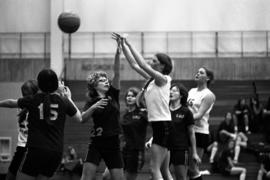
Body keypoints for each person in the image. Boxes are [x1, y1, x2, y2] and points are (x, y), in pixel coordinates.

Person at [0, 68, 82, 180]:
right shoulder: (63, 101)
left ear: (39, 85)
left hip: (36, 150)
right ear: (55, 84)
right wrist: (69, 98)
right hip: (55, 153)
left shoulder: (33, 100)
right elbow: (79, 118)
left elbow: (10, 102)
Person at [113, 32, 173, 180]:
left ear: (162, 65)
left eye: (154, 60)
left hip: (163, 125)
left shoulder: (163, 79)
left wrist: (128, 42)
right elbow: (134, 64)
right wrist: (122, 46)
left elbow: (141, 64)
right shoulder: (152, 80)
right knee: (164, 171)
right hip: (160, 125)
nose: (150, 62)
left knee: (154, 170)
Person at [80, 39, 125, 180]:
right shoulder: (91, 101)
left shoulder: (113, 94)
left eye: (106, 80)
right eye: (102, 80)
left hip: (113, 142)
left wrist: (118, 53)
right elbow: (82, 118)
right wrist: (93, 107)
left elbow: (116, 72)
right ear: (94, 85)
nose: (106, 81)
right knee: (86, 178)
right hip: (96, 142)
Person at [103, 87, 148, 180]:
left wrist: (152, 140)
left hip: (136, 151)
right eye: (128, 96)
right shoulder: (124, 114)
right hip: (121, 150)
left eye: (133, 96)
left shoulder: (143, 113)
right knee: (106, 176)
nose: (130, 98)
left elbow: (157, 126)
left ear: (138, 98)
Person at [4, 80, 39, 180]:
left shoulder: (21, 106)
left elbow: (10, 102)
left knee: (11, 176)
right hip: (30, 148)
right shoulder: (36, 106)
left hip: (23, 148)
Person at [187, 67, 216, 180]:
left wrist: (181, 120)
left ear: (207, 78)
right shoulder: (191, 91)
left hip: (200, 133)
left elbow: (199, 115)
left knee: (193, 169)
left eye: (201, 72)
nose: (198, 73)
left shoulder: (208, 95)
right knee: (185, 168)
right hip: (188, 130)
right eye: (197, 72)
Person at [168, 83, 201, 180]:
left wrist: (194, 153)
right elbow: (160, 129)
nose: (171, 92)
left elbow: (191, 133)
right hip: (165, 148)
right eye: (170, 90)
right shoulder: (164, 109)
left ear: (181, 95)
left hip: (180, 149)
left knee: (181, 177)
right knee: (157, 175)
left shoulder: (186, 112)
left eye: (174, 90)